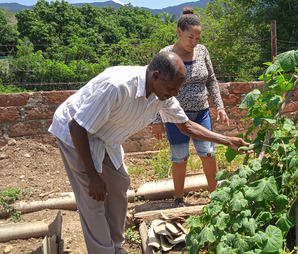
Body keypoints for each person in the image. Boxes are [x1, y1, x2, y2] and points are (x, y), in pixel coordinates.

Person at [48, 52, 249, 254]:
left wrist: (228, 140)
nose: (175, 94)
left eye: (177, 89)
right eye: (172, 88)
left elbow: (186, 126)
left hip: (105, 136)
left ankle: (116, 247)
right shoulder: (117, 86)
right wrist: (93, 176)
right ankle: (103, 251)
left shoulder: (163, 95)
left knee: (119, 183)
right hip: (76, 134)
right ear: (155, 75)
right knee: (93, 198)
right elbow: (77, 126)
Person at [152, 7, 228, 207]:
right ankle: (178, 199)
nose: (194, 42)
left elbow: (211, 79)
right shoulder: (165, 55)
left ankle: (216, 198)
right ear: (179, 32)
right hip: (174, 115)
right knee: (179, 157)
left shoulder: (202, 51)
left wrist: (219, 106)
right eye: (190, 37)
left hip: (202, 113)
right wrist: (157, 119)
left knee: (208, 153)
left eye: (198, 38)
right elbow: (155, 86)